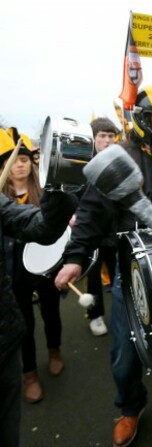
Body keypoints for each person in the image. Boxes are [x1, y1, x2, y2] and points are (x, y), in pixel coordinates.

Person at [54, 85, 152, 447]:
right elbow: (91, 212)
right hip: (135, 271)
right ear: (142, 121)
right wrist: (76, 259)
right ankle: (129, 408)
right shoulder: (119, 157)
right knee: (126, 348)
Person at [0, 127, 78, 447]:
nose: (19, 165)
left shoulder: (27, 194)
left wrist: (58, 187)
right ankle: (29, 372)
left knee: (47, 313)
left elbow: (42, 226)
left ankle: (55, 350)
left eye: (23, 159)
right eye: (11, 160)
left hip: (40, 271)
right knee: (27, 323)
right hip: (14, 273)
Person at [82, 117, 121, 337]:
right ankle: (95, 315)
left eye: (110, 136)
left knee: (119, 275)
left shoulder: (119, 162)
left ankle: (122, 315)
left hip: (114, 230)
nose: (107, 140)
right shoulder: (83, 164)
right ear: (94, 139)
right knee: (94, 277)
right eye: (102, 136)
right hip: (92, 232)